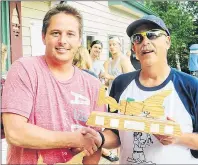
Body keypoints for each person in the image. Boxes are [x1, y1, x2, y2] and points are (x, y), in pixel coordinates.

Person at [1, 4, 105, 164]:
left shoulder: (94, 85)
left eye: (70, 34)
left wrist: (86, 143)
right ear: (43, 36)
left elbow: (93, 144)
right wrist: (73, 139)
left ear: (79, 40)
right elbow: (15, 132)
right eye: (56, 33)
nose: (62, 41)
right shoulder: (25, 69)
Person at [101, 15, 198, 164]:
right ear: (134, 48)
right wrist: (97, 139)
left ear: (168, 41)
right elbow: (115, 134)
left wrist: (177, 137)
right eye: (138, 38)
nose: (145, 41)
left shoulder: (191, 86)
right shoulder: (121, 83)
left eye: (152, 35)